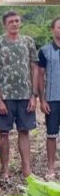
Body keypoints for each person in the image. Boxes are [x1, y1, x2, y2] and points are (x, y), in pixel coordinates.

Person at [0, 10, 38, 181]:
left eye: (17, 21)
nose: (15, 24)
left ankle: (27, 169)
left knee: (25, 131)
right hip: (6, 96)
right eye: (11, 22)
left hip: (25, 95)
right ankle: (5, 170)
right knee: (4, 133)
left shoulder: (28, 41)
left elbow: (34, 69)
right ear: (5, 24)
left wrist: (34, 95)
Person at [37, 16, 60, 180]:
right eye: (58, 27)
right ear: (52, 29)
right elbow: (40, 76)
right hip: (52, 98)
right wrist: (42, 99)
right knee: (51, 134)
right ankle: (51, 167)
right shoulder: (45, 51)